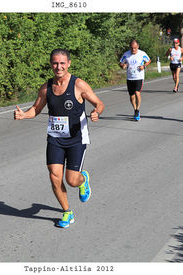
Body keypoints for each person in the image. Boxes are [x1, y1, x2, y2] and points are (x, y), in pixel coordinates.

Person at [14, 49, 105, 228]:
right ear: (50, 64)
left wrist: (96, 112)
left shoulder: (79, 85)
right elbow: (36, 109)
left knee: (72, 180)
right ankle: (67, 212)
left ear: (69, 63)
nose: (59, 67)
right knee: (55, 176)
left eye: (62, 63)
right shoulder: (46, 88)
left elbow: (99, 103)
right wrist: (24, 115)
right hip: (55, 138)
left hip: (76, 139)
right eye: (55, 63)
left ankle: (83, 180)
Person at [119, 39, 151, 121]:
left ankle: (137, 110)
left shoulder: (142, 53)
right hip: (130, 78)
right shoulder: (126, 54)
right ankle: (135, 109)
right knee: (131, 96)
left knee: (137, 93)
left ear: (138, 47)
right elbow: (121, 62)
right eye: (132, 48)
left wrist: (144, 66)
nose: (133, 50)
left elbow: (148, 60)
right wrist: (123, 66)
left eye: (135, 48)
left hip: (139, 77)